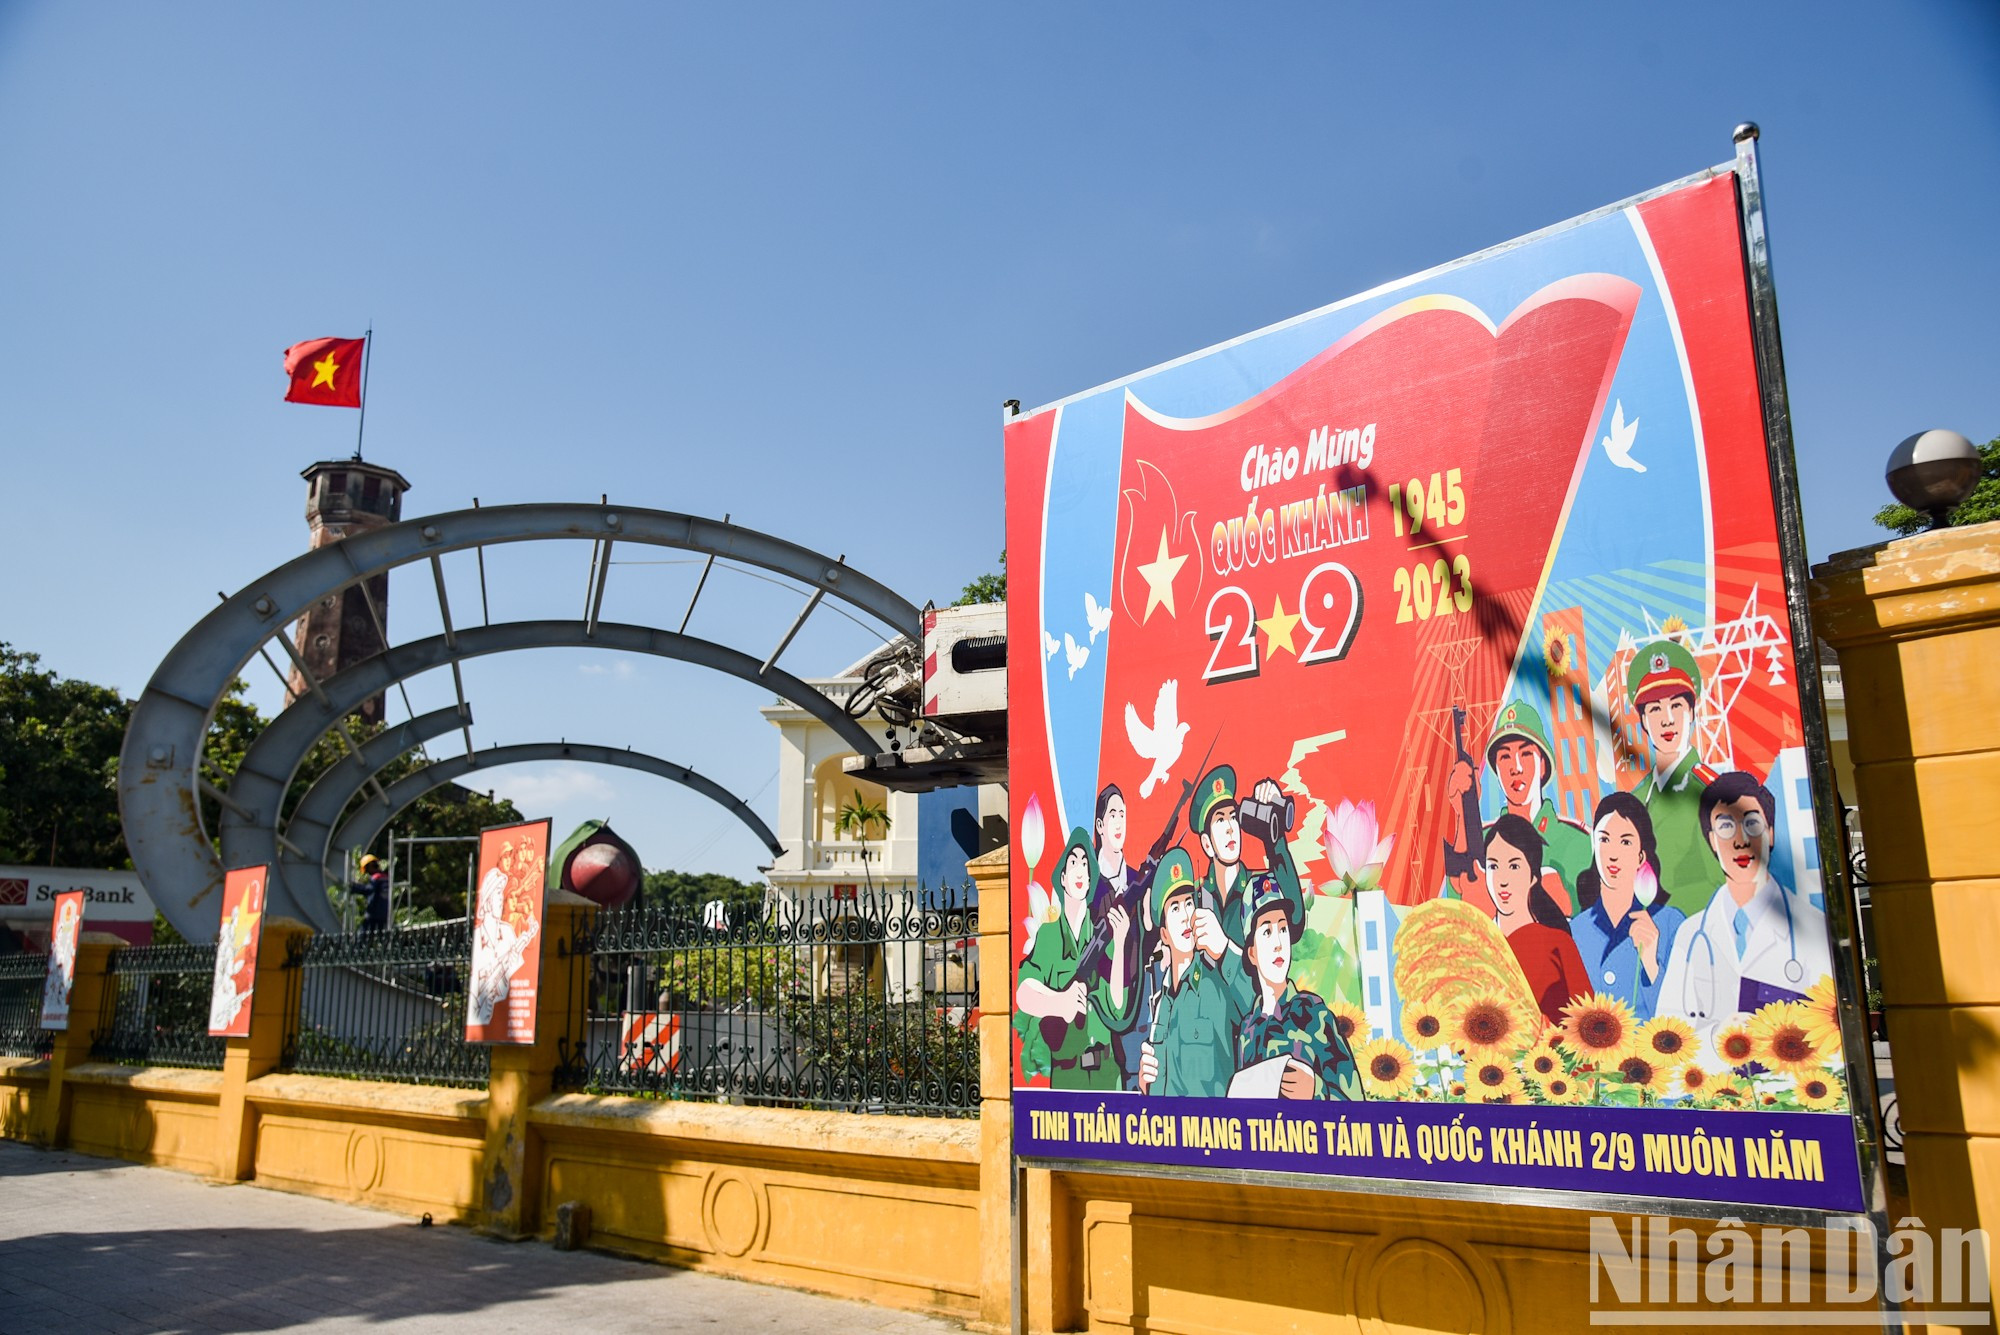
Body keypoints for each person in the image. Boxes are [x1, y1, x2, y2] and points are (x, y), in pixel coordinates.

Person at [1659, 771, 1832, 1042]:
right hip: (1711, 1081)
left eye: (1752, 823)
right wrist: (1719, 1039)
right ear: (1712, 840)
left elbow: (1830, 1029)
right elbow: (1668, 1035)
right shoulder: (1690, 934)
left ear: (1771, 833)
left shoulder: (1812, 925)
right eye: (1725, 827)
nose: (1740, 840)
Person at [1014, 828, 1136, 1090]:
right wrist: (1059, 1003)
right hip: (1067, 1075)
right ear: (1063, 877)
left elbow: (1117, 1006)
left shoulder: (1104, 935)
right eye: (1074, 863)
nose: (1080, 871)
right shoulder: (1048, 936)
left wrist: (1122, 940)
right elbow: (1024, 993)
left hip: (1107, 1073)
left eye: (1086, 866)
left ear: (1091, 882)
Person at [1444, 699, 1590, 909]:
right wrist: (1461, 814)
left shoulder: (1579, 842)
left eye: (1526, 753)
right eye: (1505, 756)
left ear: (1543, 765)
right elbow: (1456, 903)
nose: (1516, 767)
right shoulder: (1483, 837)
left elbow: (1591, 918)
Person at [1138, 849, 1253, 1098]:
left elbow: (1259, 1003)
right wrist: (1146, 1086)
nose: (1186, 917)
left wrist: (1223, 949)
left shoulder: (1218, 983)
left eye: (1190, 903)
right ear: (1164, 935)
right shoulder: (1161, 1003)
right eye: (1175, 908)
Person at [1235, 874, 1360, 1100]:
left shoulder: (1314, 1015)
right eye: (1267, 932)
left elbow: (1356, 1107)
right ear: (1252, 952)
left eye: (1283, 929)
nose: (1278, 943)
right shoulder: (1247, 1030)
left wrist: (1316, 1091)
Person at [1462, 814, 1591, 1026]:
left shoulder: (1558, 943)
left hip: (1552, 1057)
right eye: (1494, 866)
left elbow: (1592, 1026)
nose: (1502, 880)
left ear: (1533, 876)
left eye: (1514, 866)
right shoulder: (1476, 949)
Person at [1569, 791, 1686, 1022]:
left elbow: (1685, 1016)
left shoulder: (1671, 923)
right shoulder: (1576, 931)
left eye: (1625, 842)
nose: (1612, 854)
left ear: (1641, 856)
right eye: (1604, 839)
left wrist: (1651, 964)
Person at [1628, 640, 1723, 916]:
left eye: (1676, 706)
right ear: (1643, 720)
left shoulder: (1710, 792)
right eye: (1655, 709)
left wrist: (1660, 916)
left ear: (1692, 712)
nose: (1667, 720)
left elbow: (1722, 884)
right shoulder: (1636, 799)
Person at [1191, 765, 1300, 963]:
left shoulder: (1259, 888)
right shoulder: (1198, 898)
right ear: (1207, 844)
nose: (1230, 829)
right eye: (1220, 820)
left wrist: (1275, 840)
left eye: (1233, 817)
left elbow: (1296, 919)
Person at [350, 854, 391, 933]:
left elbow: (369, 890)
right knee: (380, 935)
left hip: (374, 912)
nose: (367, 872)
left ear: (370, 866)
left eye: (366, 869)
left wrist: (355, 888)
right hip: (385, 912)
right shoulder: (386, 877)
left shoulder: (376, 877)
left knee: (363, 934)